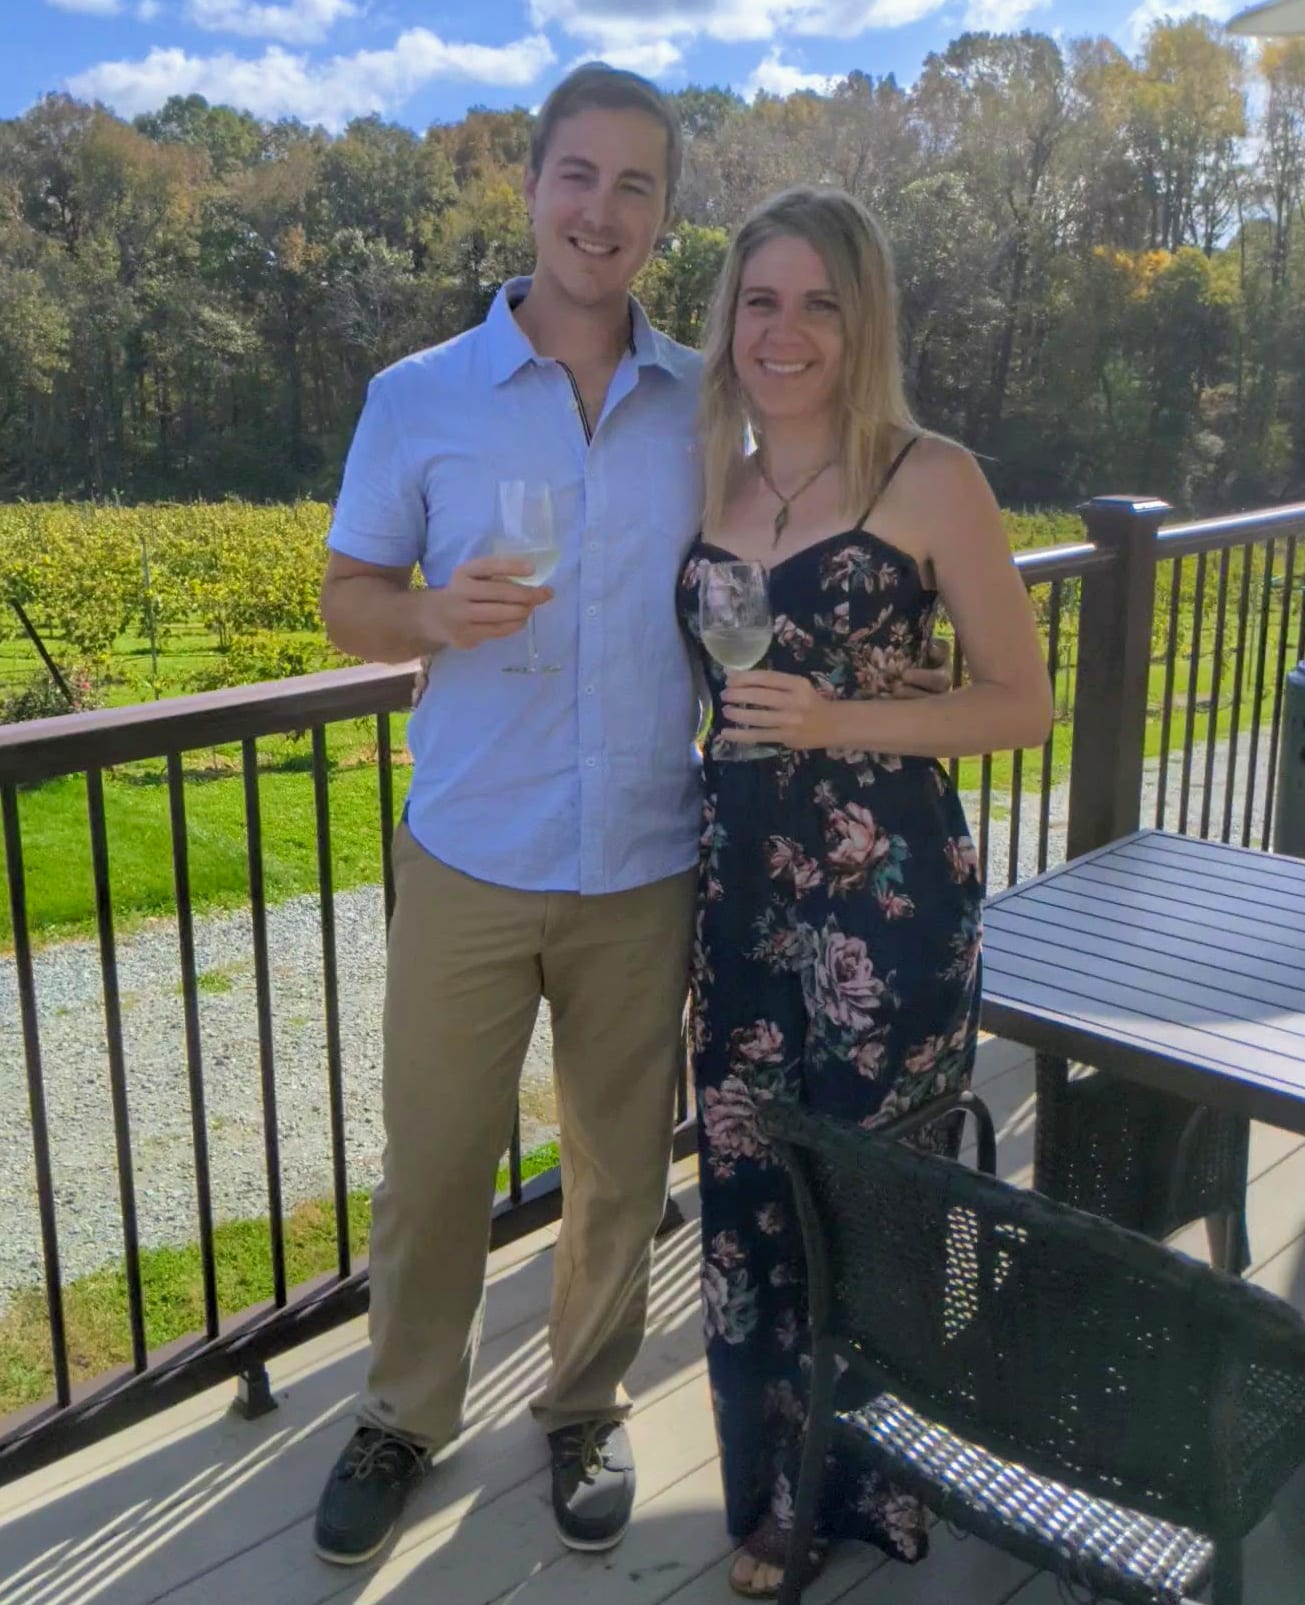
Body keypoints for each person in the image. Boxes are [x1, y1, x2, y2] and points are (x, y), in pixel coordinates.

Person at [316, 64, 950, 1569]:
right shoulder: (418, 396)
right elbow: (346, 599)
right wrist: (428, 614)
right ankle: (403, 1410)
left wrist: (884, 670)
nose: (602, 211)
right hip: (471, 847)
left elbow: (789, 554)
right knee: (435, 1159)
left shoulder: (710, 409)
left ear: (665, 215)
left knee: (616, 1162)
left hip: (654, 854)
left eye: (636, 185)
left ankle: (585, 1402)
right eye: (578, 176)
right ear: (531, 184)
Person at [675, 186, 1053, 1598]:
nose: (786, 331)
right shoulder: (707, 473)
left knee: (874, 1195)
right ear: (730, 320)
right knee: (746, 1185)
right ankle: (771, 1492)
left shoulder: (929, 476)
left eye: (819, 303)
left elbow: (1020, 704)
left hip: (888, 900)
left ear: (863, 319)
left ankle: (877, 1485)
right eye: (760, 301)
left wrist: (838, 718)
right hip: (740, 890)